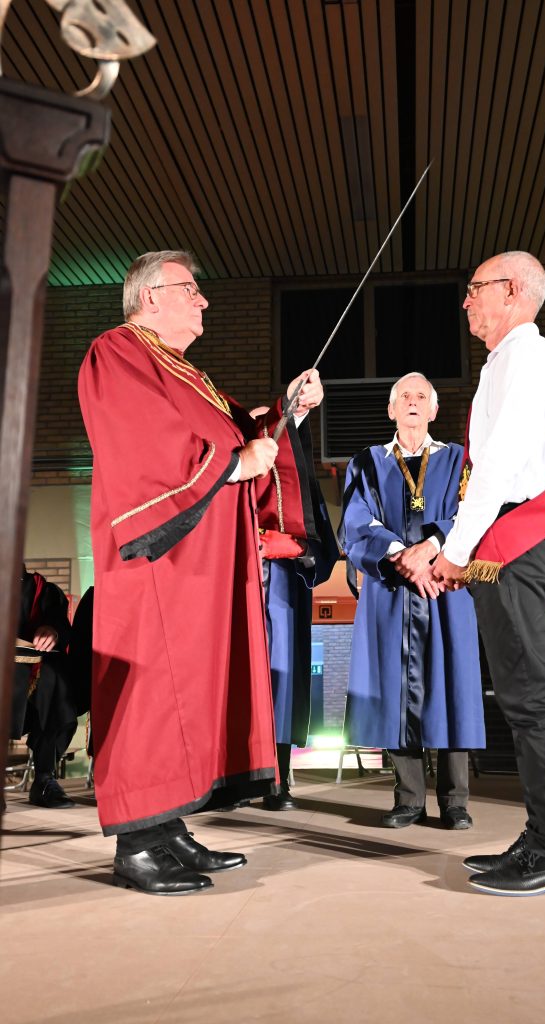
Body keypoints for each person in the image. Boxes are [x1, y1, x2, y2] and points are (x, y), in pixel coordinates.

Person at [78, 250, 323, 895]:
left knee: (194, 690)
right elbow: (148, 440)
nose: (203, 300)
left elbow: (243, 435)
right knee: (157, 692)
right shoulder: (118, 350)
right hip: (161, 565)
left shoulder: (188, 373)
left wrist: (288, 413)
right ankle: (138, 843)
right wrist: (234, 463)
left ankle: (168, 827)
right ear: (150, 297)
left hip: (204, 566)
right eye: (190, 289)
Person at [432, 251, 545, 896]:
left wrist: (455, 551)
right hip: (512, 544)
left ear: (513, 291)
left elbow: (498, 469)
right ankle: (543, 833)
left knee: (532, 698)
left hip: (518, 544)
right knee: (523, 698)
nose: (466, 299)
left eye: (476, 288)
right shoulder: (507, 361)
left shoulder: (529, 357)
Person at [339, 373, 485, 829]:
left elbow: (472, 511)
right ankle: (408, 799)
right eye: (405, 396)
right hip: (391, 588)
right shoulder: (366, 463)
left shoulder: (458, 459)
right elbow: (356, 522)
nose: (413, 401)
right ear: (391, 409)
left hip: (444, 585)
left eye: (422, 396)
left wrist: (433, 547)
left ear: (434, 409)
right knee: (393, 689)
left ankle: (455, 801)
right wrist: (402, 556)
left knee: (451, 687)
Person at [250, 407, 339, 812]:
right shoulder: (234, 474)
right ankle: (230, 780)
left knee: (282, 681)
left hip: (283, 585)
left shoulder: (297, 486)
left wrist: (296, 546)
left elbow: (320, 545)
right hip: (238, 584)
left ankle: (277, 779)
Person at [12, 566, 82, 809]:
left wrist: (52, 630)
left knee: (57, 681)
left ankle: (44, 778)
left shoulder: (42, 590)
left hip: (30, 671)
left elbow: (57, 620)